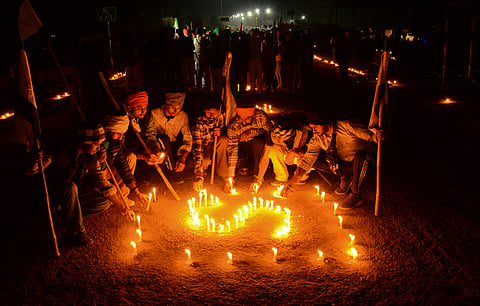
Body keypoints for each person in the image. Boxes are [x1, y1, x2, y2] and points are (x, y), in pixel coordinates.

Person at [46, 123, 135, 246]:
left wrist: (122, 207)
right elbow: (39, 170)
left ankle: (68, 216)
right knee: (70, 187)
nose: (99, 148)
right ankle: (76, 232)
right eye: (97, 144)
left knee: (106, 201)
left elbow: (102, 183)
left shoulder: (91, 159)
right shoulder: (63, 154)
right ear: (86, 142)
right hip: (55, 197)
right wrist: (37, 163)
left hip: (76, 196)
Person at [280, 112, 385, 210]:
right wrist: (290, 186)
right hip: (345, 164)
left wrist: (378, 136)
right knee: (314, 160)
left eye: (316, 127)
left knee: (361, 155)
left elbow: (372, 137)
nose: (314, 130)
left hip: (367, 162)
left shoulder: (347, 126)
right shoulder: (317, 139)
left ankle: (355, 194)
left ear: (326, 123)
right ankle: (345, 178)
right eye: (312, 127)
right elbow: (306, 163)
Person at [250, 112, 311, 193]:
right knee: (273, 149)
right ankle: (281, 177)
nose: (281, 139)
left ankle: (301, 175)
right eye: (279, 136)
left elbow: (312, 153)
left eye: (285, 137)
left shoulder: (304, 132)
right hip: (286, 153)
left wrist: (295, 152)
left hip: (301, 156)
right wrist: (259, 180)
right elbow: (265, 157)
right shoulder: (273, 135)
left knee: (305, 155)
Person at [225, 97, 273, 192]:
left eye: (246, 119)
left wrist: (251, 132)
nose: (243, 122)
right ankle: (243, 163)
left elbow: (271, 133)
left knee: (259, 144)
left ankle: (257, 175)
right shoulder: (234, 126)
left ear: (252, 115)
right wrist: (230, 177)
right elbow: (232, 150)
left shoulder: (261, 117)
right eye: (240, 119)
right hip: (241, 145)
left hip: (257, 144)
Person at [103, 112, 148, 207]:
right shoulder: (100, 141)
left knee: (131, 157)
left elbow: (122, 163)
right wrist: (100, 159)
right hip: (98, 171)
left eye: (122, 134)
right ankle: (108, 196)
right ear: (108, 130)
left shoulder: (117, 141)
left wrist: (136, 191)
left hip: (109, 169)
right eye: (118, 134)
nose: (120, 137)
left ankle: (121, 196)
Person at [151, 91, 192, 182]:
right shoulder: (154, 113)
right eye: (173, 107)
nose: (175, 110)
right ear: (166, 105)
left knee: (189, 163)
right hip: (158, 146)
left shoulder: (183, 116)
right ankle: (172, 172)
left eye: (178, 108)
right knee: (163, 139)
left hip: (173, 146)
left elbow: (188, 138)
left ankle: (171, 168)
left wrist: (183, 158)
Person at [191, 94, 228, 192]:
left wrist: (220, 132)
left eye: (214, 113)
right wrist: (198, 173)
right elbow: (197, 148)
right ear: (204, 111)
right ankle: (202, 173)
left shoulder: (219, 117)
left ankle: (223, 174)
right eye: (209, 112)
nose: (212, 116)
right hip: (203, 147)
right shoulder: (198, 124)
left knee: (224, 140)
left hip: (214, 144)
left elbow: (225, 132)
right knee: (206, 161)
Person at [124, 91, 164, 175]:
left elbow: (150, 135)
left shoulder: (148, 116)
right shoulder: (123, 120)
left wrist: (155, 149)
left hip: (140, 149)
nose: (143, 111)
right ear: (130, 108)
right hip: (126, 154)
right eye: (139, 108)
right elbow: (120, 149)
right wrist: (141, 156)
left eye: (145, 107)